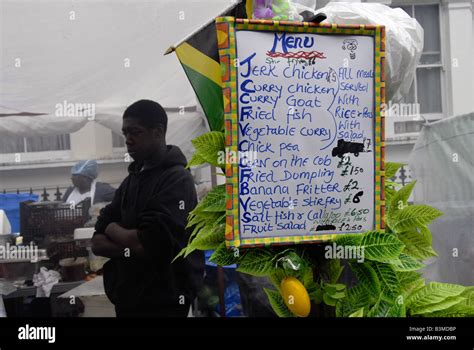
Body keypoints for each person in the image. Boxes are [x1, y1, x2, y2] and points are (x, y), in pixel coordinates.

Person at [91, 100, 204, 317]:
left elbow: (149, 245)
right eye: (125, 134)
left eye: (135, 132)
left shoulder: (175, 180)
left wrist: (113, 229)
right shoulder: (131, 181)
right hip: (129, 301)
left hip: (164, 303)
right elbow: (97, 242)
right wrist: (131, 245)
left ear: (158, 132)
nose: (128, 141)